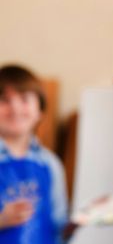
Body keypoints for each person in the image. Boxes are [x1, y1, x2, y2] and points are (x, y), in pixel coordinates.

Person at [0, 64, 68, 244]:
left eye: (24, 99)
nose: (15, 109)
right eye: (4, 100)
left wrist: (81, 221)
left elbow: (59, 223)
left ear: (40, 111)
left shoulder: (51, 164)